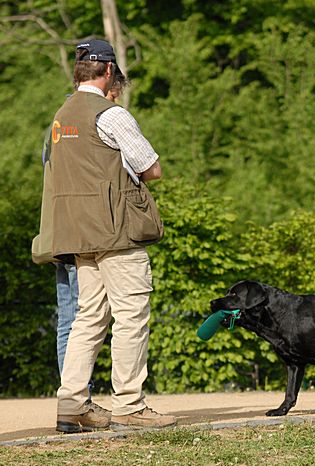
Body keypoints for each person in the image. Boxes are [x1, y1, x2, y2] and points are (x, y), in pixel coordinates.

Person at [43, 38, 175, 433]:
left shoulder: (61, 116)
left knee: (88, 318)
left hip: (78, 234)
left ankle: (72, 404)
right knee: (131, 316)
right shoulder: (111, 114)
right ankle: (130, 405)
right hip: (116, 232)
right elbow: (151, 168)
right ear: (109, 71)